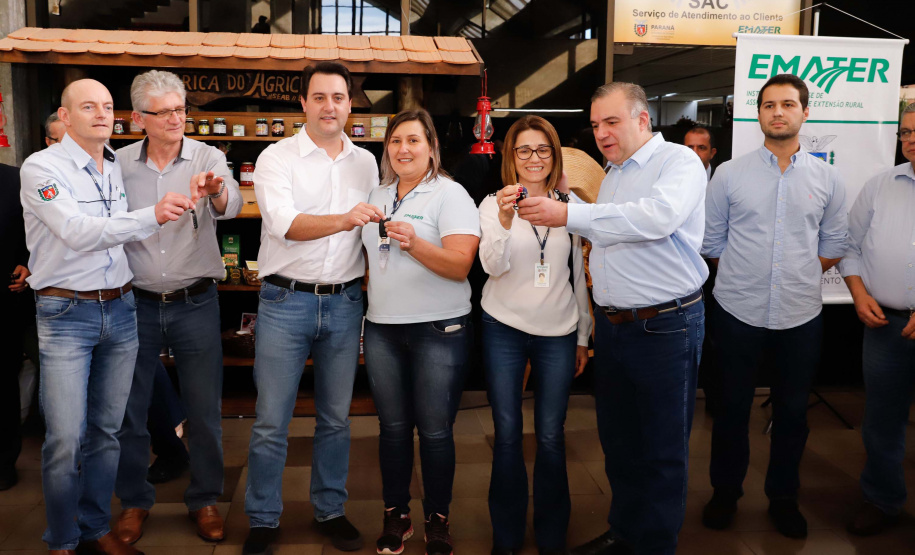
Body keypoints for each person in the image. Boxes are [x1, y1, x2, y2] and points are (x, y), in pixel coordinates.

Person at [516, 81, 708, 555]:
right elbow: (608, 225)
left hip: (667, 325)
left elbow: (654, 219)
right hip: (617, 327)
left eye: (612, 121)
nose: (602, 133)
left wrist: (569, 217)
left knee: (663, 451)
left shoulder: (678, 162)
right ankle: (624, 532)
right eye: (596, 124)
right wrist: (566, 205)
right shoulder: (615, 171)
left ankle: (655, 546)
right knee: (620, 443)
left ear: (643, 119)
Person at [19, 78, 193, 555]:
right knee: (64, 440)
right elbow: (76, 232)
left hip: (120, 308)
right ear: (65, 115)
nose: (101, 113)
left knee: (107, 432)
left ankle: (95, 530)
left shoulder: (114, 163)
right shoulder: (41, 167)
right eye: (88, 106)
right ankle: (62, 540)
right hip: (65, 313)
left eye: (108, 106)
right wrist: (152, 216)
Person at [243, 61, 383, 555]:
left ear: (350, 104)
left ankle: (330, 509)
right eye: (319, 97)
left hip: (345, 302)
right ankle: (262, 517)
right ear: (302, 103)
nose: (330, 106)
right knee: (270, 420)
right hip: (285, 301)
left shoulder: (367, 163)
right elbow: (285, 224)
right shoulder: (275, 158)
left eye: (339, 97)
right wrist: (346, 219)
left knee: (337, 418)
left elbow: (377, 229)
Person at [700, 74, 847, 539]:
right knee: (730, 410)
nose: (777, 112)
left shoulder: (828, 178)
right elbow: (711, 241)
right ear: (757, 113)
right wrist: (750, 274)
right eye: (768, 105)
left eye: (787, 104)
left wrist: (796, 272)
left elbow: (835, 242)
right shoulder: (729, 174)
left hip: (800, 314)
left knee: (792, 414)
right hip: (736, 310)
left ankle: (783, 498)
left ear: (805, 113)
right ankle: (725, 493)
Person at [113, 69, 242, 545]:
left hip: (195, 302)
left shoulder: (207, 155)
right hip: (135, 303)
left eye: (180, 109)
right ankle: (133, 502)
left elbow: (230, 204)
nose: (175, 118)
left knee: (205, 410)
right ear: (138, 118)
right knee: (131, 408)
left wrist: (216, 190)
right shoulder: (117, 163)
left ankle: (205, 499)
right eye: (164, 111)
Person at [360, 109, 480, 555]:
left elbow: (460, 265)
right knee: (391, 429)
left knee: (433, 431)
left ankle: (438, 518)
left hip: (439, 328)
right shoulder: (377, 194)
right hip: (383, 329)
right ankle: (397, 515)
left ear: (431, 147)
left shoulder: (450, 195)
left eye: (413, 141)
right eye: (395, 142)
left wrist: (415, 244)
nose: (403, 149)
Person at [478, 115, 591, 555]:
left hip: (558, 331)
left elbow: (577, 276)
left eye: (542, 149)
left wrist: (582, 334)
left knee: (550, 434)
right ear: (510, 156)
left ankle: (551, 536)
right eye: (523, 150)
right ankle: (505, 536)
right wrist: (506, 220)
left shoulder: (569, 206)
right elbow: (492, 267)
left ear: (554, 155)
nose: (534, 158)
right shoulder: (492, 204)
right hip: (502, 327)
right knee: (506, 434)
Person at [841, 103, 915, 537]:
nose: (910, 140)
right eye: (904, 132)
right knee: (882, 422)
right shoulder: (879, 186)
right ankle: (882, 501)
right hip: (884, 327)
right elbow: (849, 247)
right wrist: (859, 293)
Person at [0, 162, 32, 491]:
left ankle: (3, 462)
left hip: (5, 297)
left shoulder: (14, 178)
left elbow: (34, 230)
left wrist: (27, 261)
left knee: (4, 382)